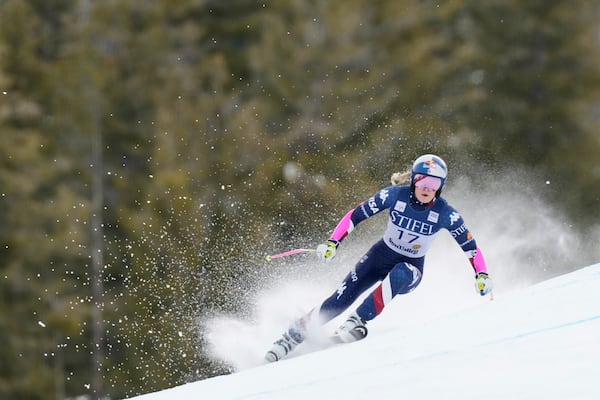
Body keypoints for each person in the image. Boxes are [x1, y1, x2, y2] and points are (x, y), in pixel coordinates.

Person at [265, 154, 493, 362]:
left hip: (412, 268)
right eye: (423, 181)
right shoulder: (394, 196)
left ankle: (358, 320)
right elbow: (356, 215)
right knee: (339, 300)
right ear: (413, 180)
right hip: (379, 256)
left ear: (440, 187)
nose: (427, 188)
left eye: (433, 184)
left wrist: (482, 274)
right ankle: (291, 338)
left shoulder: (446, 213)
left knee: (401, 272)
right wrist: (333, 242)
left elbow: (471, 247)